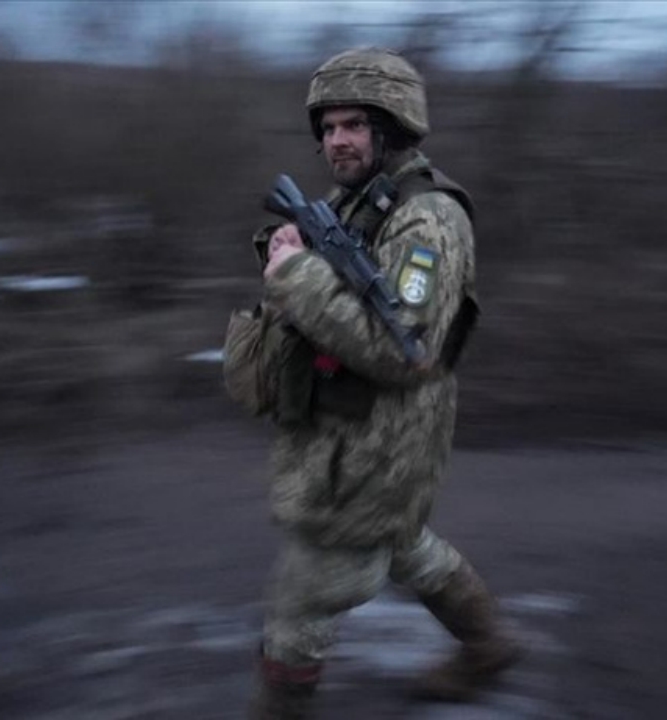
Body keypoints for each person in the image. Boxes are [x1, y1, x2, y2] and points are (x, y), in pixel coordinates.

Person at [228, 47, 521, 720]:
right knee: (407, 548)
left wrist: (296, 276)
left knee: (295, 612)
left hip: (374, 454)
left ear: (391, 127)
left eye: (354, 124)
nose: (337, 140)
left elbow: (402, 351)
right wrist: (283, 253)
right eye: (329, 127)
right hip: (349, 440)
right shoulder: (355, 199)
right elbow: (318, 287)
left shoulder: (431, 220)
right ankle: (489, 646)